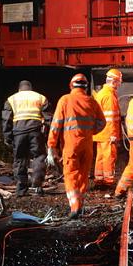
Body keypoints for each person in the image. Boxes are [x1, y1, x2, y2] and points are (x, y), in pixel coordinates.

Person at [47, 73, 105, 219]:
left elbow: (56, 125)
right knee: (83, 176)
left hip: (71, 145)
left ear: (71, 85)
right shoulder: (92, 102)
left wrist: (51, 146)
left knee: (71, 175)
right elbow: (102, 123)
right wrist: (90, 131)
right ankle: (80, 204)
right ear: (85, 87)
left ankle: (74, 207)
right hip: (87, 145)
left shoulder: (65, 100)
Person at [1, 80, 52, 196]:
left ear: (19, 89)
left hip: (18, 132)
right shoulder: (40, 97)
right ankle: (37, 182)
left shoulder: (12, 99)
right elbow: (48, 118)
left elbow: (6, 119)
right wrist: (47, 134)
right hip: (36, 131)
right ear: (31, 88)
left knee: (20, 159)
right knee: (39, 156)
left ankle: (21, 189)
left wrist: (7, 136)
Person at [93, 69, 122, 187]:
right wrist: (113, 134)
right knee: (109, 157)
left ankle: (99, 179)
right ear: (114, 82)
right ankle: (108, 181)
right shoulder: (109, 96)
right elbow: (111, 119)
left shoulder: (101, 93)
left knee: (100, 157)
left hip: (100, 133)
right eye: (119, 81)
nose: (120, 84)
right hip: (107, 133)